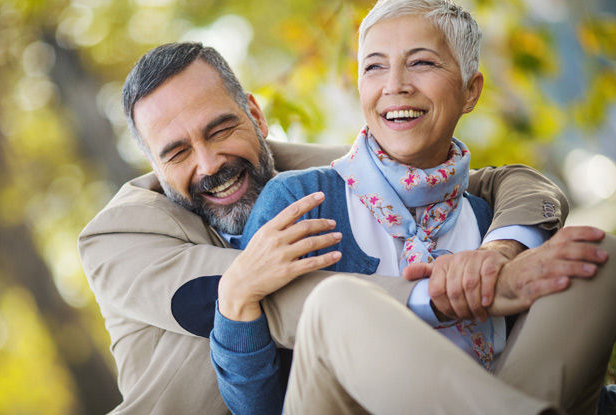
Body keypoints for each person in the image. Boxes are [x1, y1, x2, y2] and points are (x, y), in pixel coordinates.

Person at [77, 41, 595, 414]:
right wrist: (457, 292)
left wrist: (504, 251)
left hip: (388, 396)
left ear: (254, 114)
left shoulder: (322, 176)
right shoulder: (118, 238)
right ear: (153, 164)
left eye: (221, 128)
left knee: (598, 259)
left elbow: (500, 185)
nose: (210, 163)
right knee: (336, 302)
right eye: (178, 152)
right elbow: (274, 302)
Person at [210, 1, 616, 414]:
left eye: (421, 63)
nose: (396, 84)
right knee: (337, 301)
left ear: (470, 91)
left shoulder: (487, 216)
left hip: (513, 392)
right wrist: (234, 302)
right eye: (374, 67)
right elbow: (256, 405)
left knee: (601, 253)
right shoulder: (299, 202)